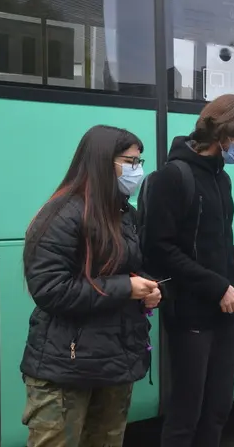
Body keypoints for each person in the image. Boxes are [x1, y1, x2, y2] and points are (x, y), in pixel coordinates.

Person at [20, 125, 161, 447]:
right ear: (101, 161)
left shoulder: (125, 214)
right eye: (130, 161)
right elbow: (50, 289)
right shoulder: (62, 214)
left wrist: (148, 292)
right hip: (64, 367)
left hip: (115, 361)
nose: (137, 170)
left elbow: (134, 271)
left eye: (139, 161)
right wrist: (126, 288)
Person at [141, 94, 234, 447]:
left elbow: (211, 241)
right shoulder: (173, 176)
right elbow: (160, 249)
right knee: (186, 414)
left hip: (226, 313)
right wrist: (217, 285)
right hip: (190, 313)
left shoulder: (221, 179)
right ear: (223, 137)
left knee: (217, 411)